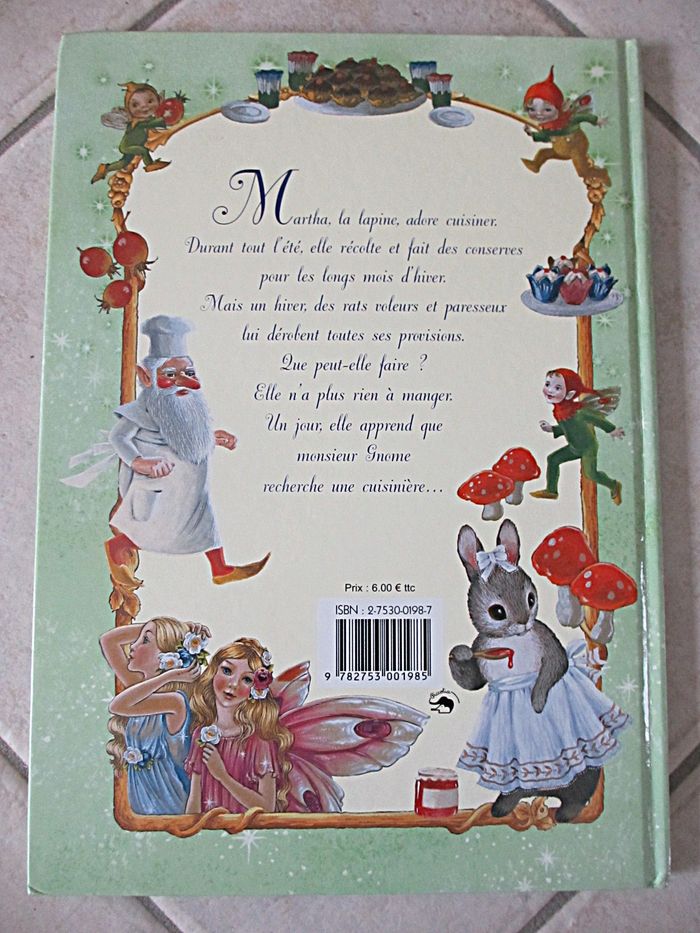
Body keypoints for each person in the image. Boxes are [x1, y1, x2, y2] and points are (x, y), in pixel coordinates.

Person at [106, 315, 269, 584]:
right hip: (162, 487)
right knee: (154, 529)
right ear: (147, 377)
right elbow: (118, 437)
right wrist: (138, 461)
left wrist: (212, 438)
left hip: (193, 491)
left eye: (189, 373)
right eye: (170, 375)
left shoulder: (188, 406)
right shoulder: (144, 408)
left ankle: (220, 569)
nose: (183, 381)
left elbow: (185, 438)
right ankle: (117, 549)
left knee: (204, 525)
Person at [100, 617, 208, 815]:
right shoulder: (139, 691)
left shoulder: (174, 702)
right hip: (142, 807)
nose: (133, 645)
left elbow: (117, 706)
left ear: (166, 657)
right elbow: (108, 640)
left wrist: (168, 675)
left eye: (145, 640)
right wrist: (178, 629)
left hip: (169, 807)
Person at [185, 638, 293, 814]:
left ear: (256, 690)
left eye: (247, 679)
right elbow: (194, 803)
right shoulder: (202, 735)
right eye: (227, 671)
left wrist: (222, 776)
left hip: (247, 828)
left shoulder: (259, 740)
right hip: (208, 829)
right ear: (213, 672)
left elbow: (267, 807)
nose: (233, 684)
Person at [531, 367, 624, 503]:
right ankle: (551, 491)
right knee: (553, 459)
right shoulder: (560, 411)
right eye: (547, 384)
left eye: (557, 388)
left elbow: (597, 419)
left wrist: (611, 430)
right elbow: (567, 428)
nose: (549, 390)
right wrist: (552, 429)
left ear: (570, 395)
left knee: (590, 474)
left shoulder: (578, 412)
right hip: (574, 447)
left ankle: (614, 485)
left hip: (588, 448)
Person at [521, 67, 610, 187]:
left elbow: (582, 117)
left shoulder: (567, 119)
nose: (539, 114)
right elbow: (546, 136)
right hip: (559, 150)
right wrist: (532, 134)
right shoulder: (548, 126)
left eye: (547, 110)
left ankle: (601, 173)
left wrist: (596, 120)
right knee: (543, 153)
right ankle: (535, 165)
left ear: (559, 107)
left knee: (582, 171)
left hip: (575, 148)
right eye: (532, 109)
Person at [91, 82, 170, 183]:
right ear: (129, 109)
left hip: (130, 145)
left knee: (123, 163)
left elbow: (153, 122)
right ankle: (150, 165)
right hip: (127, 147)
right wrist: (164, 119)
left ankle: (105, 169)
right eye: (135, 105)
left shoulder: (144, 120)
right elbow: (153, 123)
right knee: (143, 151)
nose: (144, 107)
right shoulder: (138, 123)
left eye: (150, 101)